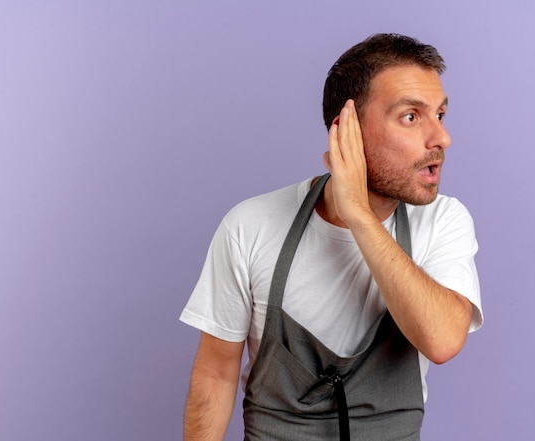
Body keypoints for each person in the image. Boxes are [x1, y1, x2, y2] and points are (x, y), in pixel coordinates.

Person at [180, 33, 483, 441]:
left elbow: (443, 340)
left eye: (440, 115)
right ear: (348, 130)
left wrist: (358, 212)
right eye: (411, 116)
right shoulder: (250, 225)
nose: (441, 138)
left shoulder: (444, 220)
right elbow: (215, 372)